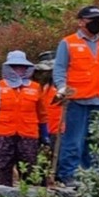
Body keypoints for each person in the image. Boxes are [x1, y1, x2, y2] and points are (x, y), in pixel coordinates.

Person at [53, 6, 99, 186]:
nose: (97, 23)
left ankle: (96, 176)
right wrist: (61, 88)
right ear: (81, 22)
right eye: (93, 19)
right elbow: (59, 69)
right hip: (77, 100)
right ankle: (69, 174)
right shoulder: (68, 43)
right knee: (74, 140)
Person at [0, 50, 47, 187]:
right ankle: (3, 196)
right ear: (8, 68)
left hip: (28, 134)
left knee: (29, 168)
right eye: (15, 66)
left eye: (22, 66)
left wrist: (44, 135)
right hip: (2, 134)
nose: (19, 69)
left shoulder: (35, 87)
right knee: (2, 167)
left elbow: (42, 114)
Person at [33, 51, 62, 184]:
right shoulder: (37, 86)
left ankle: (55, 180)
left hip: (58, 128)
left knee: (56, 157)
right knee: (41, 159)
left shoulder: (61, 87)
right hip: (40, 127)